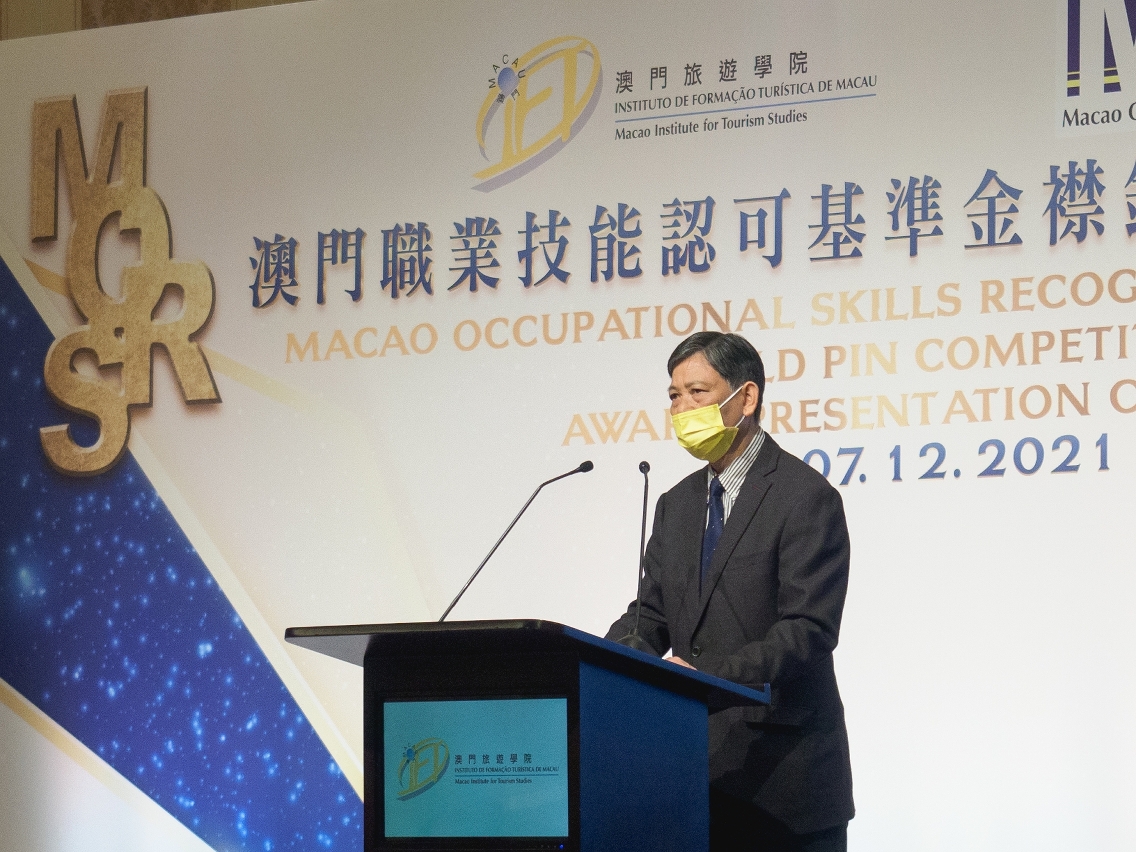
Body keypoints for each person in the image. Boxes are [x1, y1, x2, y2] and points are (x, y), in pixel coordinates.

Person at [606, 331, 854, 852]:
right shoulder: (676, 504)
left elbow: (808, 630)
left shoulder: (805, 496)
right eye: (674, 396)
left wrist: (709, 679)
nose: (682, 409)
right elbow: (652, 614)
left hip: (784, 783)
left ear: (746, 397)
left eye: (697, 393)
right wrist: (607, 662)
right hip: (692, 777)